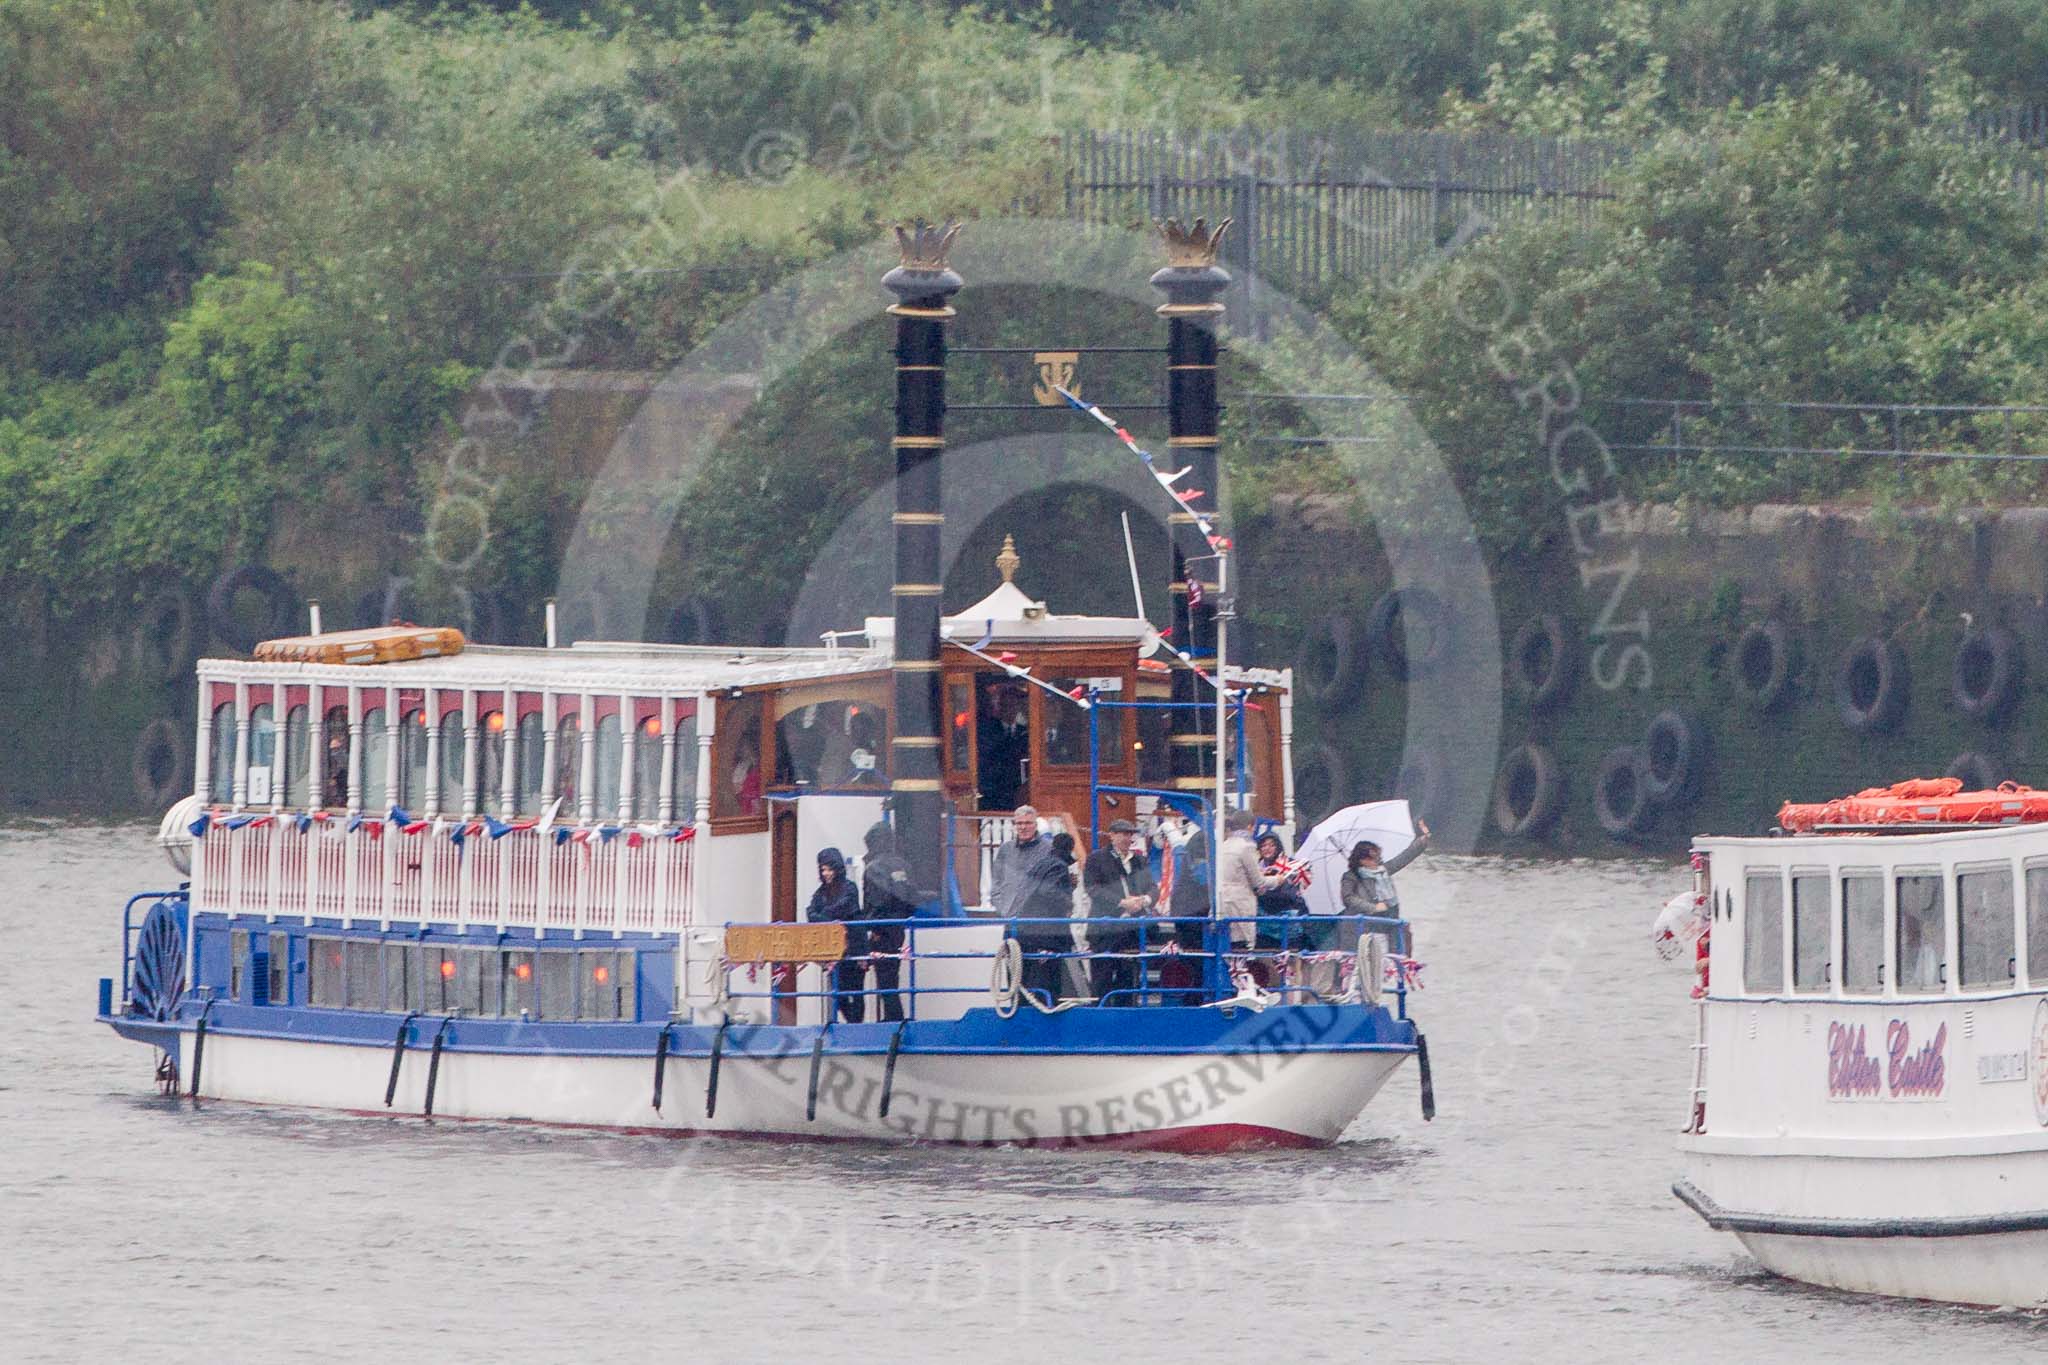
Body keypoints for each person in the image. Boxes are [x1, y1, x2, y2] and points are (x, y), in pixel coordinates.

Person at [860, 821, 931, 1022]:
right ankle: (894, 1020)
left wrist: (871, 926)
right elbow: (911, 897)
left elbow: (874, 900)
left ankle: (894, 1022)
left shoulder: (873, 868)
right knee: (893, 976)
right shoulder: (903, 865)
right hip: (898, 928)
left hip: (880, 930)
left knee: (885, 980)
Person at [1083, 818, 1158, 1005]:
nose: (1127, 838)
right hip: (1104, 929)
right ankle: (1100, 1018)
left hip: (1131, 931)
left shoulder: (1139, 860)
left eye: (1130, 834)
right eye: (1123, 834)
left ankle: (1127, 1017)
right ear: (1112, 835)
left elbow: (1152, 887)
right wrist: (1122, 903)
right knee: (1102, 980)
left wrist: (1144, 900)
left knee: (1128, 980)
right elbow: (1093, 889)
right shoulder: (1096, 859)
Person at [1340, 818, 1431, 955]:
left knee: (1393, 953)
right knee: (1369, 956)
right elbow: (1348, 898)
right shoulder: (1350, 877)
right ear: (1362, 860)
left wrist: (1422, 840)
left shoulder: (1383, 870)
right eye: (1373, 858)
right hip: (1364, 925)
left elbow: (1403, 858)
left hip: (1389, 918)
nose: (1378, 860)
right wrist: (1372, 907)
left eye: (1378, 856)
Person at [1216, 810, 1285, 989]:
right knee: (1241, 950)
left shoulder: (1224, 845)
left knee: (1228, 949)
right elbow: (1258, 881)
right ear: (1250, 826)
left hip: (1223, 903)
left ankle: (1229, 987)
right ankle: (1240, 989)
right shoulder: (1246, 847)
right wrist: (1277, 880)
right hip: (1240, 905)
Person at [804, 847, 867, 1022]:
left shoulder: (849, 887)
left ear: (837, 868)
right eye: (823, 869)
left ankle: (856, 1026)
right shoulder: (821, 893)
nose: (826, 873)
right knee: (838, 994)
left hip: (854, 947)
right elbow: (810, 913)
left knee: (857, 992)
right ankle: (851, 1024)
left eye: (829, 869)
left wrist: (823, 915)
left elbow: (845, 907)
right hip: (832, 952)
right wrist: (827, 916)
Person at [1017, 830, 1079, 1004]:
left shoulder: (1040, 864)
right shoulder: (1059, 867)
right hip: (1048, 934)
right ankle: (1048, 1006)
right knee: (1047, 980)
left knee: (1028, 979)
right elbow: (1049, 892)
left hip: (1028, 931)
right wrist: (1068, 902)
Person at [991, 805, 1056, 918]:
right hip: (1010, 917)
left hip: (1039, 920)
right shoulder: (1006, 850)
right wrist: (1002, 909)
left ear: (1036, 825)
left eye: (1028, 823)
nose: (1023, 827)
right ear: (1014, 825)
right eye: (1019, 823)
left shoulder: (1050, 850)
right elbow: (996, 881)